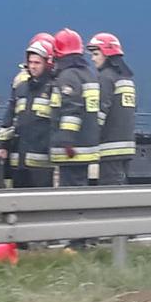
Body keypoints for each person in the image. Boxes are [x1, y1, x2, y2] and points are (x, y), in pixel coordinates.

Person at [0, 37, 54, 188]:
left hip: (42, 163)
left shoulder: (53, 88)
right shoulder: (21, 88)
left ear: (47, 64)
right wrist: (2, 144)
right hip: (19, 161)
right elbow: (10, 117)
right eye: (31, 62)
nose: (33, 66)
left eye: (37, 63)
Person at [50, 28, 100, 187]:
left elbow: (71, 109)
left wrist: (66, 139)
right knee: (80, 187)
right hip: (87, 143)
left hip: (73, 148)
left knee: (70, 191)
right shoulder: (88, 74)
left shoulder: (68, 76)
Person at [87, 33, 136, 185]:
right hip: (125, 147)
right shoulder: (126, 79)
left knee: (109, 194)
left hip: (109, 149)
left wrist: (88, 137)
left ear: (107, 54)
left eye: (96, 54)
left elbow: (99, 114)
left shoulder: (105, 78)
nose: (92, 58)